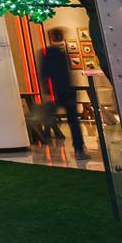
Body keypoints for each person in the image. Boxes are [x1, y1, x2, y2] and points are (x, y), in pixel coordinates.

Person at [41, 29, 91, 161]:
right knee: (73, 121)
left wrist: (47, 92)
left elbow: (44, 74)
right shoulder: (62, 53)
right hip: (67, 91)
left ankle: (45, 137)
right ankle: (79, 149)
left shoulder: (47, 53)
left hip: (56, 92)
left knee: (50, 115)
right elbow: (66, 74)